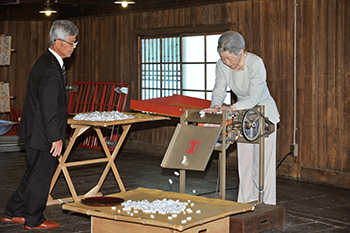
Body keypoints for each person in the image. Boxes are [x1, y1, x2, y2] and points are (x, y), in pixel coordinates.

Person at [0, 20, 78, 229]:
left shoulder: (47, 62)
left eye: (75, 43)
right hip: (43, 133)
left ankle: (13, 211)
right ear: (57, 42)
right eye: (71, 43)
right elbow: (49, 108)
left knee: (34, 172)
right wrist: (56, 137)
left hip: (36, 130)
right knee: (41, 176)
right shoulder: (50, 70)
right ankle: (33, 219)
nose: (73, 47)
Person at [202, 31, 280, 205]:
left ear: (241, 52)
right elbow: (219, 89)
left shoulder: (255, 63)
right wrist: (216, 105)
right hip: (243, 113)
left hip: (264, 112)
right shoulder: (221, 65)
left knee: (263, 163)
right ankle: (245, 201)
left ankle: (266, 204)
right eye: (223, 58)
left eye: (230, 59)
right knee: (245, 161)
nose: (227, 63)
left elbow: (254, 97)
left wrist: (230, 108)